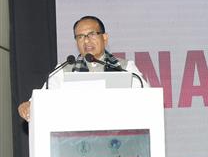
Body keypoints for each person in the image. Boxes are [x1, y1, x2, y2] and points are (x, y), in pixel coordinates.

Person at [17, 15, 146, 121]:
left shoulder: (125, 68)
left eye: (91, 34)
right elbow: (41, 101)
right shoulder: (64, 69)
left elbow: (147, 101)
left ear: (105, 38)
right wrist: (29, 106)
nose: (86, 41)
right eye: (80, 37)